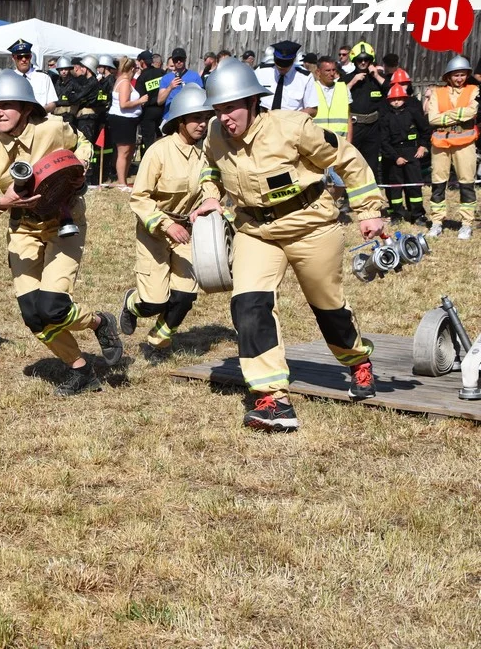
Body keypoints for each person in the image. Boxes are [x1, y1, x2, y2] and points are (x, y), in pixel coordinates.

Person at [190, 59, 385, 432]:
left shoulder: (292, 127)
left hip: (310, 226)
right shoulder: (215, 133)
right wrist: (212, 196)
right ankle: (272, 399)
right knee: (248, 305)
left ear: (252, 102)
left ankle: (357, 360)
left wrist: (368, 210)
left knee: (328, 307)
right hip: (255, 231)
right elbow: (209, 168)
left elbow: (347, 159)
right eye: (217, 110)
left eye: (231, 108)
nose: (224, 117)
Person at [0, 72, 123, 395]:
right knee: (33, 315)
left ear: (27, 108)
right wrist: (3, 200)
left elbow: (82, 144)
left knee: (53, 307)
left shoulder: (53, 128)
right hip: (22, 229)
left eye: (7, 106)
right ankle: (81, 371)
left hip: (63, 223)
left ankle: (99, 322)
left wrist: (79, 168)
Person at [119, 83, 214, 356]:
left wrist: (211, 202)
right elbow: (139, 197)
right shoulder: (158, 152)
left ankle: (158, 341)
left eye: (206, 118)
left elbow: (209, 184)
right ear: (180, 120)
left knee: (185, 297)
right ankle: (131, 304)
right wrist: (166, 224)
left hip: (187, 230)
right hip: (156, 231)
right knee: (153, 302)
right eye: (196, 118)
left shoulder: (204, 154)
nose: (202, 124)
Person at [426, 55, 478, 239]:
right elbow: (432, 118)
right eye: (456, 75)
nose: (459, 79)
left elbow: (473, 111)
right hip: (440, 142)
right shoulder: (437, 93)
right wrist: (459, 115)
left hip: (465, 142)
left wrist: (446, 115)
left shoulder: (474, 90)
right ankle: (437, 222)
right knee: (438, 184)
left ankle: (466, 223)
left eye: (463, 75)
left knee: (466, 184)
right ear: (448, 76)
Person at [380, 83, 430, 226]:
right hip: (394, 155)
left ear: (405, 99)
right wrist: (395, 157)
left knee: (414, 185)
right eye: (393, 99)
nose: (396, 101)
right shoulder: (385, 117)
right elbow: (384, 141)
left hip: (412, 153)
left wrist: (422, 146)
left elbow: (425, 130)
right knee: (395, 187)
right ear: (389, 100)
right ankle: (396, 213)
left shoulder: (413, 113)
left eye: (400, 99)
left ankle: (417, 214)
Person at [343, 41, 386, 181]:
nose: (363, 62)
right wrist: (353, 82)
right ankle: (348, 197)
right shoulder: (346, 79)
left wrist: (377, 76)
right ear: (354, 61)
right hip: (354, 126)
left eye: (366, 59)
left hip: (373, 126)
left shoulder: (376, 79)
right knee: (351, 161)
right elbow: (337, 97)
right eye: (360, 60)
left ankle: (371, 198)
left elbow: (391, 92)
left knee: (371, 163)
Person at [107, 56, 146, 190]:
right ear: (131, 69)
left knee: (128, 151)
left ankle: (123, 178)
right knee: (123, 152)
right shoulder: (124, 82)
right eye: (135, 68)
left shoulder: (124, 81)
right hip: (122, 120)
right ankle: (121, 182)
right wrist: (140, 101)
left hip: (128, 120)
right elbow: (124, 104)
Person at [255, 41, 316, 114]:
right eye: (279, 62)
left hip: (291, 121)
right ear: (274, 58)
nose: (282, 67)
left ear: (293, 60)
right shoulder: (261, 72)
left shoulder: (305, 77)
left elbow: (313, 109)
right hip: (265, 119)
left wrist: (290, 118)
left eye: (286, 64)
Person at [6, 39, 57, 113]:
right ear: (14, 58)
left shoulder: (44, 78)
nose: (24, 60)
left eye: (27, 56)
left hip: (40, 120)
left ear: (30, 57)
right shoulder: (9, 79)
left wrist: (39, 112)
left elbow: (52, 103)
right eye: (20, 57)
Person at [133, 49, 165, 152]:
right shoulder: (161, 72)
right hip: (162, 110)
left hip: (148, 113)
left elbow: (140, 99)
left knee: (148, 141)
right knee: (161, 139)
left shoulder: (142, 78)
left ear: (142, 62)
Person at [158, 48, 204, 116]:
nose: (179, 62)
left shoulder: (195, 76)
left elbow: (202, 97)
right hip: (170, 116)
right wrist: (170, 87)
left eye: (181, 59)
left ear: (185, 59)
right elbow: (159, 101)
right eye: (176, 60)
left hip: (189, 114)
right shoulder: (166, 78)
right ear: (173, 61)